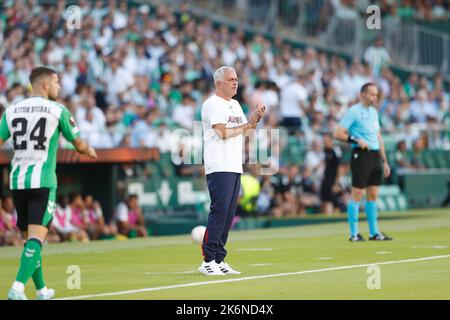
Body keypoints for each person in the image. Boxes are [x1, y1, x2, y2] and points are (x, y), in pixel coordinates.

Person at [0, 66, 97, 300]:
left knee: (31, 241)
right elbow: (77, 143)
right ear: (45, 85)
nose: (59, 87)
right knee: (36, 239)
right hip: (43, 182)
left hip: (18, 182)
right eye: (57, 82)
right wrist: (90, 151)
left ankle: (42, 290)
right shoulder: (57, 110)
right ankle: (17, 288)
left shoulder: (11, 110)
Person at [199, 66, 265, 276]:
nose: (235, 82)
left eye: (236, 79)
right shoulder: (212, 104)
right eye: (230, 79)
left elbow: (247, 133)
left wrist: (253, 121)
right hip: (219, 164)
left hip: (234, 164)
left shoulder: (235, 104)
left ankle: (219, 258)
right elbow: (222, 133)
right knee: (219, 210)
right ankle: (208, 259)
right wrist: (246, 126)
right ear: (219, 83)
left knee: (228, 214)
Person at [333, 82, 393, 242]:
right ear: (363, 94)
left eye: (376, 94)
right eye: (372, 94)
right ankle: (354, 233)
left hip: (374, 156)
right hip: (361, 155)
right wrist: (355, 140)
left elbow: (378, 137)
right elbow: (338, 133)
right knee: (357, 194)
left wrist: (384, 160)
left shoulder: (374, 112)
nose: (375, 97)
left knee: (373, 195)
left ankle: (374, 233)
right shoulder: (354, 112)